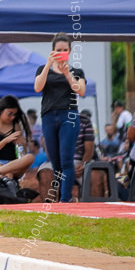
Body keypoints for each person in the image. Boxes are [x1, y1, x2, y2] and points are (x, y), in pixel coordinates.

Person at [33, 33, 86, 203]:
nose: (61, 52)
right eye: (58, 50)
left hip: (68, 115)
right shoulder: (43, 69)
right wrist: (49, 64)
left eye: (64, 50)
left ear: (70, 51)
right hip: (48, 116)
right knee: (54, 161)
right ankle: (59, 199)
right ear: (52, 51)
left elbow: (81, 91)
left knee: (66, 160)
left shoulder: (76, 71)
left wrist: (67, 74)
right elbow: (37, 87)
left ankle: (65, 200)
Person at [0, 95, 36, 191]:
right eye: (10, 114)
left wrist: (23, 144)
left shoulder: (16, 125)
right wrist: (6, 140)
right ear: (1, 110)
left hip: (13, 163)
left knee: (30, 157)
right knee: (8, 175)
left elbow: (22, 155)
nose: (12, 117)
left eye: (14, 114)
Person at [71, 109, 97, 199]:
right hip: (61, 163)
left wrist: (83, 165)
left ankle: (94, 210)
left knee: (96, 176)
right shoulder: (53, 120)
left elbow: (89, 150)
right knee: (46, 173)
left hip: (79, 162)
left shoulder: (85, 121)